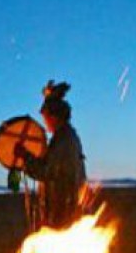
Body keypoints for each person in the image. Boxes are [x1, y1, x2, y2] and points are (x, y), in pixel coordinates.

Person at [16, 80, 87, 230]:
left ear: (54, 117)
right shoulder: (67, 137)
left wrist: (25, 157)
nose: (45, 122)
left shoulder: (64, 140)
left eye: (46, 117)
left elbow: (46, 171)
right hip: (67, 209)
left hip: (64, 212)